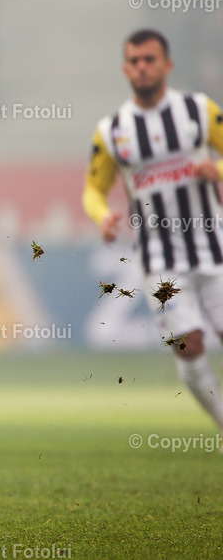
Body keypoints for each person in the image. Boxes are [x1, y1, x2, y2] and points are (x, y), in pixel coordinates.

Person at [84, 29, 223, 437]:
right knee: (188, 345)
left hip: (214, 246)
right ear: (126, 68)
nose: (142, 67)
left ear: (167, 64)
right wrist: (101, 214)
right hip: (159, 259)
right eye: (134, 61)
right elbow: (94, 188)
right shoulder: (113, 130)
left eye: (150, 59)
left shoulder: (199, 111)